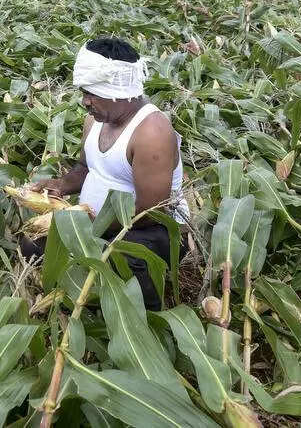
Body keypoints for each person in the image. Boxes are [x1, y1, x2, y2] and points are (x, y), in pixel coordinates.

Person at [22, 37, 189, 310]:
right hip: (97, 223)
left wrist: (92, 224)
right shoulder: (96, 119)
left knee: (122, 262)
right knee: (32, 244)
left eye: (91, 94)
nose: (85, 102)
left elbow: (153, 211)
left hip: (147, 229)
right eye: (83, 93)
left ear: (118, 89)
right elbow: (85, 168)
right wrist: (61, 185)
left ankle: (140, 315)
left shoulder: (152, 133)